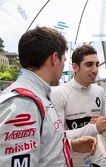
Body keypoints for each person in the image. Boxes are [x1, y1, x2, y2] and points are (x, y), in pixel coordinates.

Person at [0, 26, 96, 167]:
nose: (63, 66)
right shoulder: (22, 104)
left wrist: (69, 145)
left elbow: (40, 146)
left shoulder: (38, 95)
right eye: (64, 60)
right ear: (54, 58)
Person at [50, 45, 106, 167]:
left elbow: (103, 126)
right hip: (71, 160)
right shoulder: (59, 93)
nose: (95, 69)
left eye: (97, 64)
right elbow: (56, 136)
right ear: (75, 67)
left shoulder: (99, 91)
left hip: (96, 157)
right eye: (89, 64)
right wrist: (94, 128)